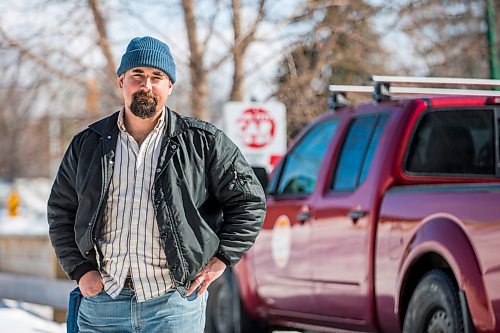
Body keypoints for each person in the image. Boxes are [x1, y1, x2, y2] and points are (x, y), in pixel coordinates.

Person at [47, 36, 266, 332]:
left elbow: (249, 201)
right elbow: (60, 210)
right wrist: (80, 269)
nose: (146, 85)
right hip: (103, 304)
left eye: (156, 77)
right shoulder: (88, 144)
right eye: (137, 75)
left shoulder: (204, 143)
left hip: (174, 305)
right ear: (121, 80)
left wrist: (223, 258)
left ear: (170, 86)